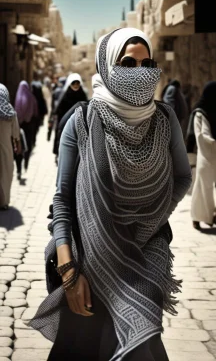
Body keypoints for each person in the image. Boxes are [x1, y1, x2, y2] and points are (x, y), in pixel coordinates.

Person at [29, 28, 192, 360]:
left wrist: (151, 222)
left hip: (146, 256)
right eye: (128, 63)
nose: (140, 72)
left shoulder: (163, 119)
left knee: (141, 345)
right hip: (89, 260)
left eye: (147, 64)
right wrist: (70, 272)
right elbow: (62, 200)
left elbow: (181, 178)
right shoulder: (83, 122)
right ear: (106, 66)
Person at [191, 81, 216, 230]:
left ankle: (215, 213)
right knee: (203, 189)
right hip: (205, 156)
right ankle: (199, 218)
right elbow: (203, 135)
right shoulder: (200, 112)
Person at [53, 73, 88, 159]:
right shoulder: (65, 96)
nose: (76, 85)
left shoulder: (82, 95)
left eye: (77, 83)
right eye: (74, 83)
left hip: (79, 125)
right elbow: (58, 111)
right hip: (65, 123)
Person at [0, 84, 21, 210]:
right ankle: (3, 202)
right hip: (5, 149)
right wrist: (18, 144)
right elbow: (16, 133)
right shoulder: (10, 111)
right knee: (6, 174)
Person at [14, 81, 38, 181]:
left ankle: (19, 168)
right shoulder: (31, 97)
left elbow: (16, 111)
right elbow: (35, 111)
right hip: (29, 126)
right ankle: (26, 163)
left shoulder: (18, 97)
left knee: (19, 146)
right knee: (27, 145)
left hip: (19, 125)